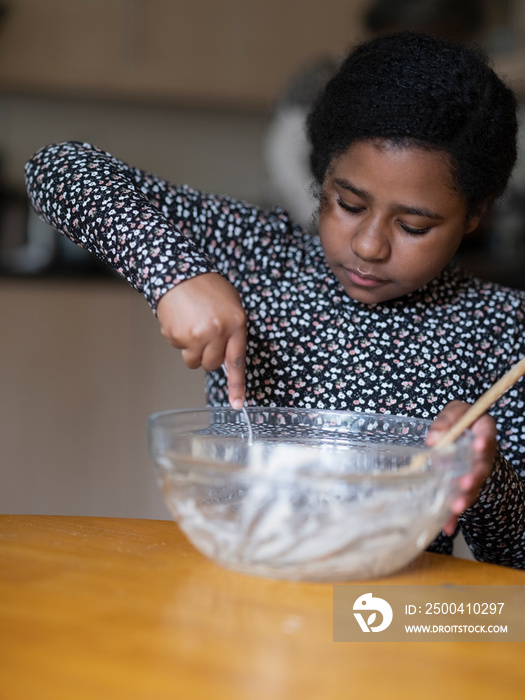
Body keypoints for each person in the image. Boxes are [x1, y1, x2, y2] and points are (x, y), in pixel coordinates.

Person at [25, 31, 525, 568]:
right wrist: (174, 274)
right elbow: (57, 168)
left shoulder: (502, 329)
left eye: (412, 226)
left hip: (382, 620)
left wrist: (487, 478)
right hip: (243, 587)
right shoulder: (263, 253)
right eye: (348, 204)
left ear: (474, 214)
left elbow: (515, 554)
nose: (368, 245)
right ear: (323, 176)